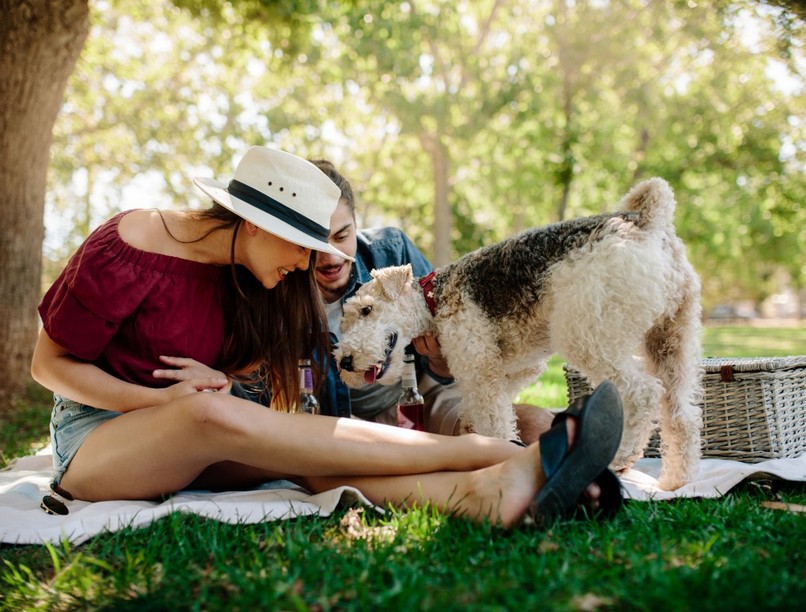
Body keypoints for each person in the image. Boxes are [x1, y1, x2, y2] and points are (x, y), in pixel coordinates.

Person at [31, 146, 623, 527]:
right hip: (98, 442)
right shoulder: (130, 245)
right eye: (304, 247)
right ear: (258, 223)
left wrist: (226, 384)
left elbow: (272, 402)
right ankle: (499, 456)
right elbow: (49, 365)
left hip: (205, 434)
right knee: (206, 418)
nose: (313, 264)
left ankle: (490, 494)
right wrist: (163, 401)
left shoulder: (263, 283)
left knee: (306, 455)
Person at [310, 159, 556, 443]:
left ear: (356, 222)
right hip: (342, 423)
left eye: (341, 236)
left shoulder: (391, 252)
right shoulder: (283, 288)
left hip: (419, 393)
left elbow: (452, 360)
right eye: (317, 243)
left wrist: (440, 360)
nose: (331, 257)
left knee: (536, 427)